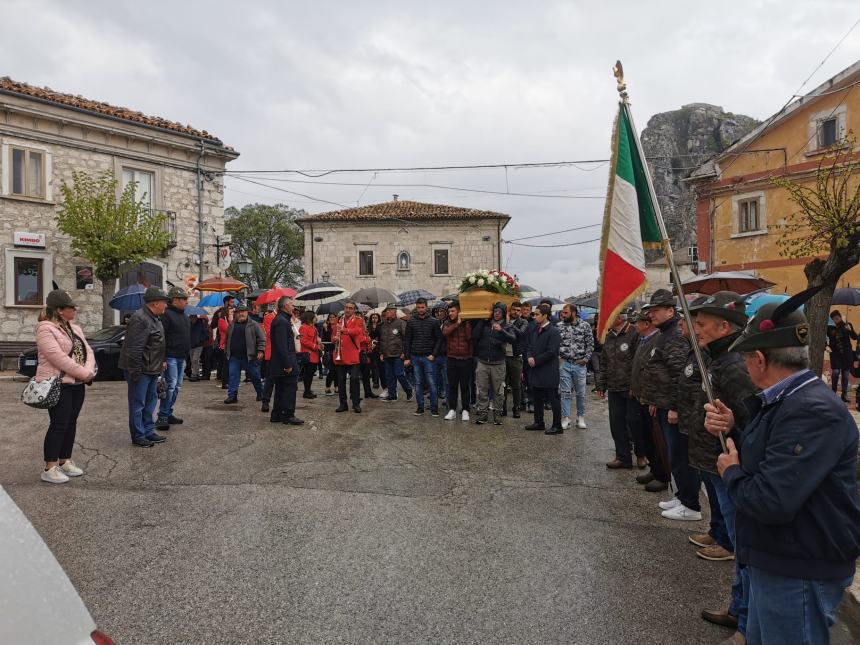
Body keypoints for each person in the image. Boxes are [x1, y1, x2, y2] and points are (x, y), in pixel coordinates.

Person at [704, 290, 860, 645]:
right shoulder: (788, 400)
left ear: (759, 358)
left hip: (799, 566)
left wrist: (730, 471)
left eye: (745, 358)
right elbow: (775, 457)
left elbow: (771, 500)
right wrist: (734, 428)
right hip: (779, 557)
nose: (745, 365)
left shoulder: (809, 410)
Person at [684, 293, 758, 641]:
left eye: (701, 324)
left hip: (731, 467)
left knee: (745, 549)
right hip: (715, 460)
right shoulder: (716, 358)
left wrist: (732, 445)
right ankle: (738, 608)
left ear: (724, 326)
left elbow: (752, 423)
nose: (695, 329)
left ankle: (745, 623)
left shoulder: (733, 364)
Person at [640, 289, 699, 519]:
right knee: (673, 455)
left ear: (670, 311)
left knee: (680, 455)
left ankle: (690, 503)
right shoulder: (664, 333)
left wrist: (675, 406)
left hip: (674, 408)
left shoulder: (674, 336)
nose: (651, 315)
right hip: (663, 403)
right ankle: (682, 496)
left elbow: (679, 377)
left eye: (655, 311)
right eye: (650, 311)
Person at [35, 289, 97, 483]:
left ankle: (65, 461)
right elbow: (57, 358)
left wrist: (87, 371)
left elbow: (88, 351)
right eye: (72, 307)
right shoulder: (45, 328)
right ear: (60, 310)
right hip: (58, 382)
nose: (75, 310)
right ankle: (50, 467)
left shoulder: (75, 328)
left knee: (71, 423)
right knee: (59, 424)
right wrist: (85, 373)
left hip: (77, 383)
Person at [118, 286, 169, 447]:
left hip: (152, 369)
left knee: (150, 403)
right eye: (164, 302)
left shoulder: (154, 318)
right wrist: (135, 372)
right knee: (138, 404)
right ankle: (138, 435)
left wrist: (161, 361)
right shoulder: (140, 319)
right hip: (141, 370)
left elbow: (155, 344)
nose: (166, 306)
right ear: (154, 304)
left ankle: (148, 431)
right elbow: (134, 348)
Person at [629, 311, 670, 491]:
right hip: (641, 396)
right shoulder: (643, 340)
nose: (635, 326)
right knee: (646, 436)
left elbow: (657, 374)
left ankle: (662, 475)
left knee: (656, 439)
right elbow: (638, 367)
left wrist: (654, 399)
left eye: (637, 323)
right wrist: (634, 387)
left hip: (651, 398)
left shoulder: (657, 340)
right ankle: (654, 469)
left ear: (646, 324)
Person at [595, 309, 640, 469]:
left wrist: (635, 386)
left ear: (619, 318)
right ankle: (623, 456)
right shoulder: (609, 336)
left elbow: (638, 363)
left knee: (635, 423)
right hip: (614, 387)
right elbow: (604, 362)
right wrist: (601, 384)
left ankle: (641, 454)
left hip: (630, 389)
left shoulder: (635, 334)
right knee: (616, 423)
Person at [471, 302, 515, 425]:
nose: (496, 313)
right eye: (495, 311)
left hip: (498, 363)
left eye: (499, 312)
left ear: (503, 313)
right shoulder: (485, 323)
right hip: (483, 362)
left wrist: (501, 330)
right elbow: (474, 336)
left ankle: (497, 414)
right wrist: (481, 320)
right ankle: (483, 414)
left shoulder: (507, 325)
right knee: (482, 389)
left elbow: (513, 338)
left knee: (499, 391)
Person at [524, 303, 563, 434]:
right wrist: (529, 356)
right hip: (536, 370)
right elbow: (529, 345)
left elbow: (552, 352)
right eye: (534, 314)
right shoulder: (535, 329)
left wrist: (536, 360)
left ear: (545, 316)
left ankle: (557, 426)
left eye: (537, 314)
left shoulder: (553, 331)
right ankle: (539, 422)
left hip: (549, 370)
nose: (534, 317)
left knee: (553, 399)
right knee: (537, 397)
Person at [156, 287, 190, 432]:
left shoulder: (185, 317)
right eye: (184, 299)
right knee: (170, 386)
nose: (186, 302)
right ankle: (162, 416)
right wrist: (162, 358)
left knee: (176, 387)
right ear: (175, 300)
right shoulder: (166, 315)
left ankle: (168, 412)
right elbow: (161, 338)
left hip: (181, 357)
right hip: (170, 357)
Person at [558, 303, 594, 430]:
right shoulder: (559, 326)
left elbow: (590, 344)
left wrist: (586, 359)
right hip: (565, 364)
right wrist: (559, 357)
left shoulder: (585, 326)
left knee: (581, 393)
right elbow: (555, 343)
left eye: (566, 312)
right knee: (565, 392)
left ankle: (580, 417)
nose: (563, 314)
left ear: (573, 313)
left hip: (580, 364)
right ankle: (566, 418)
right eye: (563, 312)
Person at [404, 298, 443, 417]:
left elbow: (439, 339)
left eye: (422, 307)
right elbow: (407, 341)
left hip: (428, 357)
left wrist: (434, 354)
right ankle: (420, 407)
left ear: (426, 307)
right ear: (416, 307)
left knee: (432, 383)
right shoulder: (411, 322)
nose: (421, 309)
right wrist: (407, 357)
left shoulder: (434, 321)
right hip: (415, 357)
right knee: (418, 383)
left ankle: (434, 408)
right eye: (419, 307)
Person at [268, 297, 303, 425]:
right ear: (284, 307)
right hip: (284, 362)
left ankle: (277, 414)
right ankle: (288, 414)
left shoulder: (282, 320)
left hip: (280, 362)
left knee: (281, 389)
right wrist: (287, 364)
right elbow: (281, 345)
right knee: (289, 389)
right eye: (291, 305)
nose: (293, 307)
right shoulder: (281, 321)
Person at [223, 304, 265, 404]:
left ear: (247, 313)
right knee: (233, 376)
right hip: (234, 356)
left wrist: (260, 350)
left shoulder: (254, 324)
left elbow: (262, 339)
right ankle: (232, 396)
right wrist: (226, 351)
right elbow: (227, 339)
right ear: (236, 314)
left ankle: (261, 393)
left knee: (255, 376)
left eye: (243, 312)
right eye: (239, 312)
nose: (241, 314)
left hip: (249, 357)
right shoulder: (231, 325)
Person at [333, 301, 367, 413]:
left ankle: (356, 403)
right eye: (346, 307)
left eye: (350, 308)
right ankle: (343, 404)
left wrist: (345, 330)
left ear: (354, 310)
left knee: (354, 379)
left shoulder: (359, 320)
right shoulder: (338, 320)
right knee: (341, 380)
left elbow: (358, 331)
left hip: (353, 355)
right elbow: (333, 335)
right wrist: (334, 339)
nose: (348, 310)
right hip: (341, 355)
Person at [442, 301, 472, 421]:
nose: (450, 313)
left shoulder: (468, 323)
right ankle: (452, 410)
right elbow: (445, 332)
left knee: (465, 386)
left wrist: (465, 324)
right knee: (452, 386)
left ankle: (465, 410)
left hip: (466, 359)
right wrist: (457, 324)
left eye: (453, 311)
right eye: (449, 311)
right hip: (452, 359)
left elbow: (469, 337)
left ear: (459, 311)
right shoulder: (447, 323)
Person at [377, 306, 413, 402]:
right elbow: (382, 340)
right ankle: (392, 396)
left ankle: (409, 390)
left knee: (399, 374)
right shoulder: (384, 324)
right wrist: (381, 353)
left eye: (389, 310)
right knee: (389, 376)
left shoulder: (401, 323)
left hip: (397, 354)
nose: (387, 312)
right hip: (386, 354)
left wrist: (404, 353)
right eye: (387, 311)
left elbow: (406, 339)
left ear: (394, 312)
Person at [503, 301, 529, 419]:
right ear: (510, 310)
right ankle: (502, 408)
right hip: (503, 356)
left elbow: (521, 334)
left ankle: (516, 408)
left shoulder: (523, 321)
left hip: (515, 357)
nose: (516, 312)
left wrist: (509, 324)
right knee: (502, 384)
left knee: (516, 385)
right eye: (514, 310)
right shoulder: (503, 321)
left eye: (519, 310)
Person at [827, 310, 856, 402]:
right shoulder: (830, 327)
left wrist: (850, 330)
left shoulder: (847, 325)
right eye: (834, 319)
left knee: (846, 375)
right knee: (835, 372)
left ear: (840, 317)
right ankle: (833, 393)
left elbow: (855, 337)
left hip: (847, 354)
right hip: (835, 354)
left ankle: (844, 395)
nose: (836, 320)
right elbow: (824, 337)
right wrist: (825, 346)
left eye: (837, 318)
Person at [299, 311, 321, 399]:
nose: (316, 318)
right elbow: (303, 341)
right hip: (308, 354)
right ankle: (306, 391)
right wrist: (315, 346)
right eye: (314, 317)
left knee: (311, 373)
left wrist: (319, 343)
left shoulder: (314, 328)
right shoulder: (303, 327)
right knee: (308, 374)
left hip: (314, 354)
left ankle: (308, 390)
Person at [260, 306, 277, 413]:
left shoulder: (287, 318)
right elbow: (270, 334)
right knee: (270, 380)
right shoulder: (269, 317)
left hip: (282, 353)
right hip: (271, 353)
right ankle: (265, 401)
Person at [432, 305, 449, 406]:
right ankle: (434, 401)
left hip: (445, 354)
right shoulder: (435, 323)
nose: (439, 313)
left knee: (446, 379)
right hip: (435, 354)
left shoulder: (448, 323)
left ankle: (447, 399)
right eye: (438, 311)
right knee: (434, 379)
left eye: (442, 311)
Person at [321, 313, 339, 396]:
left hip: (337, 351)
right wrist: (326, 329)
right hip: (329, 351)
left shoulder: (338, 327)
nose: (332, 318)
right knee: (332, 370)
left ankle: (336, 387)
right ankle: (327, 387)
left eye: (333, 317)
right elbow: (325, 339)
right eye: (330, 317)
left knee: (336, 371)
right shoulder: (326, 327)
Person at [188, 312, 208, 382]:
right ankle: (196, 374)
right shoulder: (189, 324)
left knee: (195, 359)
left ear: (196, 318)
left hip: (199, 345)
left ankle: (194, 374)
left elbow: (206, 334)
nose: (191, 320)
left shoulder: (201, 324)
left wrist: (200, 340)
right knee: (192, 360)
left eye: (192, 318)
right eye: (190, 318)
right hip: (191, 345)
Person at [368, 312, 384, 389]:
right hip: (372, 349)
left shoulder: (381, 326)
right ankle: (375, 382)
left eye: (376, 317)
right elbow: (369, 335)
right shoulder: (369, 326)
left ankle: (383, 383)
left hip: (379, 348)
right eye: (373, 317)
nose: (374, 319)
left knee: (381, 367)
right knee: (374, 366)